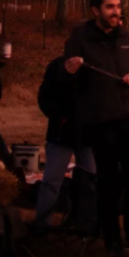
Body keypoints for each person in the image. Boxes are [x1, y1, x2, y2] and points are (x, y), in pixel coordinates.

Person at [63, 0, 129, 257]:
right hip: (100, 122)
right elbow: (67, 77)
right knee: (108, 183)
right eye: (110, 7)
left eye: (117, 6)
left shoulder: (127, 37)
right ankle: (112, 241)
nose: (116, 11)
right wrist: (70, 69)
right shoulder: (80, 39)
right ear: (95, 10)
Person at [33, 56, 96, 233]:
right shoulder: (56, 66)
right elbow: (44, 97)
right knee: (51, 182)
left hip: (88, 135)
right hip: (61, 134)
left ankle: (86, 222)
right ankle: (41, 224)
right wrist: (59, 118)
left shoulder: (94, 66)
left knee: (90, 181)